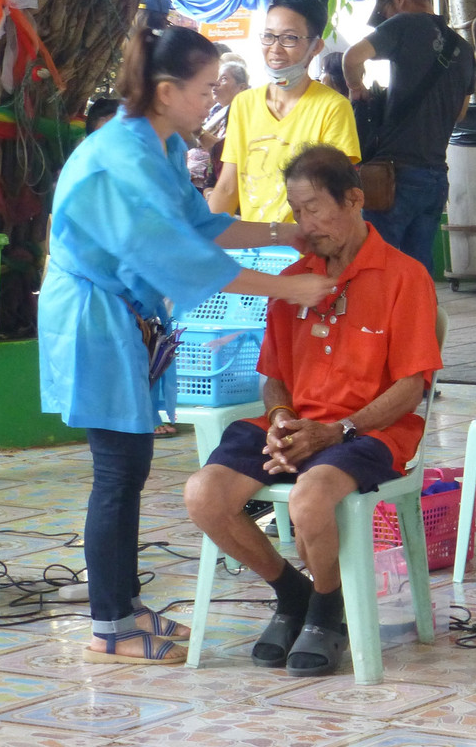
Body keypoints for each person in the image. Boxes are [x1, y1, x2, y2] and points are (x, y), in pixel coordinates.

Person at [37, 25, 334, 666]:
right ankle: (111, 623)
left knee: (127, 469)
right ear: (168, 90)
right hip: (96, 318)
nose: (213, 100)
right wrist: (292, 289)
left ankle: (121, 608)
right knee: (117, 473)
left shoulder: (162, 144)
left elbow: (201, 225)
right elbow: (180, 257)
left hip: (123, 314)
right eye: (205, 90)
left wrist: (291, 230)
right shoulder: (123, 154)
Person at [184, 144, 442, 678]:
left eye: (314, 209)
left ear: (353, 200)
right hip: (301, 425)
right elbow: (273, 375)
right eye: (295, 211)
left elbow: (411, 387)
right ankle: (294, 593)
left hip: (372, 430)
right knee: (203, 494)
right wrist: (280, 421)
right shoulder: (295, 279)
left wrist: (335, 431)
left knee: (310, 498)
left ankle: (327, 609)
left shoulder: (404, 276)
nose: (304, 224)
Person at [342, 0, 475, 276]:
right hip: (435, 177)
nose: (386, 17)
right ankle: (424, 323)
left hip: (394, 176)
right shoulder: (464, 48)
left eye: (385, 10)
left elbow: (352, 58)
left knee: (377, 263)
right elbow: (461, 113)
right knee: (419, 269)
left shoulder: (403, 24)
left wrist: (357, 88)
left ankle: (383, 324)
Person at [209, 0, 361, 223]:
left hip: (308, 252)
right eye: (269, 36)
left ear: (316, 46)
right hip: (255, 252)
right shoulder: (243, 104)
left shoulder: (333, 108)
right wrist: (203, 242)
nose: (275, 48)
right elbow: (228, 188)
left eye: (289, 38)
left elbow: (334, 198)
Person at [189, 59, 248, 192]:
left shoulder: (241, 113)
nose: (216, 84)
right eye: (216, 79)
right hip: (199, 182)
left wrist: (197, 130)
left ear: (242, 87)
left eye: (224, 79)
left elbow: (223, 150)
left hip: (216, 183)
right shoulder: (214, 109)